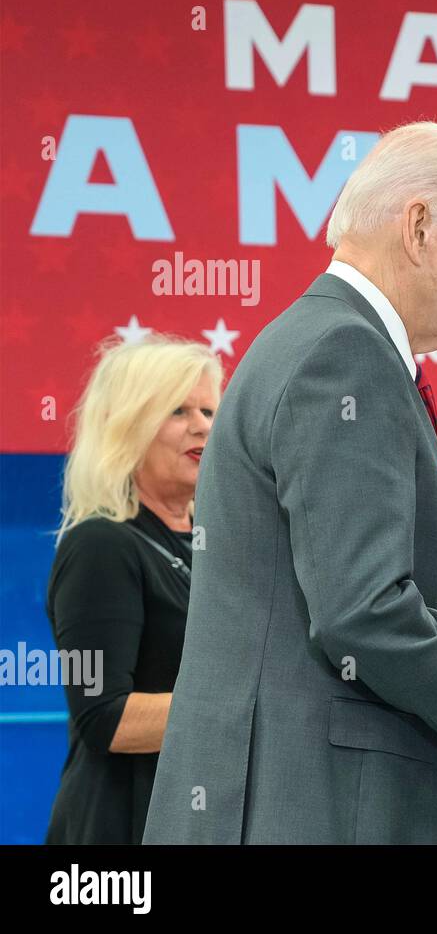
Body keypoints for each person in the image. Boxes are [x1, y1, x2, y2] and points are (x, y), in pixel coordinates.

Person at [143, 122, 437, 845]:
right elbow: (362, 612)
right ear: (419, 227)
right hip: (320, 812)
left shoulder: (310, 340)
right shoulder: (344, 354)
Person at [45, 336, 222, 843]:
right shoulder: (100, 544)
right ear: (127, 425)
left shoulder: (218, 545)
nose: (203, 426)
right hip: (121, 826)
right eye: (178, 410)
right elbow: (107, 717)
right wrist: (242, 710)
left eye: (210, 410)